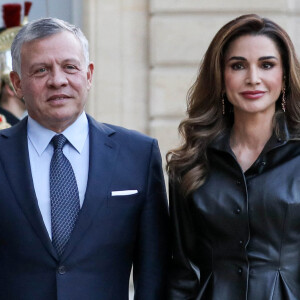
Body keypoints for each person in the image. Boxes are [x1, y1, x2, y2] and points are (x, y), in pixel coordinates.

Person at [0, 17, 169, 299]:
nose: (58, 80)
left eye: (70, 67)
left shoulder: (138, 154)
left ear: (88, 75)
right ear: (17, 84)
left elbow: (155, 273)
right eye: (41, 70)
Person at [166, 14, 300, 300]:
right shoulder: (189, 164)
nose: (253, 78)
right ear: (221, 76)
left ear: (284, 77)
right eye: (238, 66)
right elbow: (181, 273)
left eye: (267, 65)